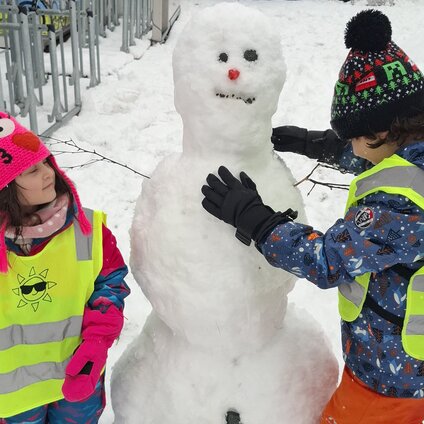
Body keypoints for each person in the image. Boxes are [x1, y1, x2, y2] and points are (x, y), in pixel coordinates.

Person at [201, 9, 424, 424]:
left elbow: (327, 260)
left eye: (352, 136)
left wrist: (256, 219)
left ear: (382, 132)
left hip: (391, 377)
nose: (350, 146)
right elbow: (372, 157)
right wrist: (310, 143)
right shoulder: (412, 149)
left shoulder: (400, 205)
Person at [0, 112, 130, 423]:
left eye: (46, 162)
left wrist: (97, 343)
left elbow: (110, 285)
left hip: (77, 381)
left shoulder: (87, 229)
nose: (48, 174)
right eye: (32, 170)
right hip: (14, 397)